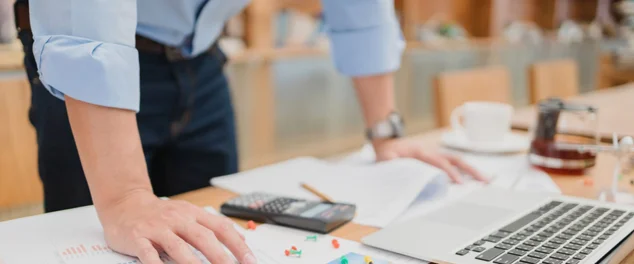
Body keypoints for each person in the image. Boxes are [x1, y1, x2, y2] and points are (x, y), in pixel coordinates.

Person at [14, 0, 487, 263]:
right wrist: (123, 197)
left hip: (203, 60)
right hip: (92, 64)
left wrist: (386, 132)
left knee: (216, 241)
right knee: (103, 241)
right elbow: (84, 17)